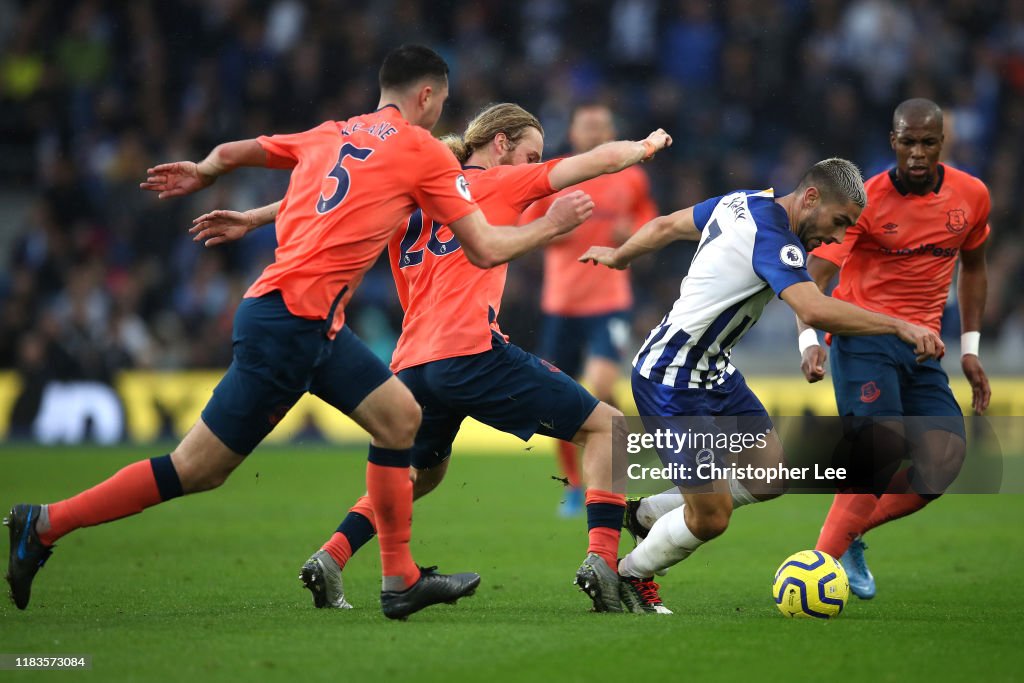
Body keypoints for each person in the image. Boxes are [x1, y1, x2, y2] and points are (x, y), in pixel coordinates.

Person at [4, 45, 593, 620]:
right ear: (427, 95)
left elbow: (243, 152)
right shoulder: (422, 151)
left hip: (291, 318)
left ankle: (397, 578)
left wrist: (211, 173)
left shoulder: (332, 133)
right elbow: (487, 247)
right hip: (298, 323)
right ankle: (49, 522)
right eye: (441, 102)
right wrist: (555, 222)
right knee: (199, 469)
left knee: (397, 420)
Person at [193, 103, 673, 613]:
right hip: (471, 352)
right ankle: (602, 560)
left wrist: (253, 217)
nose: (538, 161)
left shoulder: (413, 195)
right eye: (531, 152)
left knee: (420, 474)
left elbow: (328, 198)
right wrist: (644, 148)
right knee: (606, 427)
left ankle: (332, 556)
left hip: (413, 365)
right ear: (502, 144)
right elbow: (596, 161)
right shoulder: (502, 183)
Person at [579, 158, 945, 614]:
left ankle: (644, 515)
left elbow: (668, 225)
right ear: (811, 197)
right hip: (672, 377)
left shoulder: (744, 201)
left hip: (713, 369)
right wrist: (900, 327)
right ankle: (630, 574)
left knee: (769, 473)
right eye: (838, 223)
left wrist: (621, 255)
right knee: (711, 518)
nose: (836, 238)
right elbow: (812, 307)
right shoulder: (774, 237)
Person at [798, 99, 991, 599]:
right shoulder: (866, 202)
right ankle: (814, 570)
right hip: (863, 339)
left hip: (924, 346)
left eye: (928, 142)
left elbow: (975, 266)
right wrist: (809, 338)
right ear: (893, 142)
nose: (918, 153)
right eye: (908, 142)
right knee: (879, 450)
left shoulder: (972, 196)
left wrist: (970, 348)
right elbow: (812, 278)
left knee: (943, 462)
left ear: (942, 143)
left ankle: (851, 529)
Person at [520, 104, 658, 516]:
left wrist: (631, 232)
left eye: (602, 127)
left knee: (597, 388)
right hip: (561, 305)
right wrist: (553, 229)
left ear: (612, 132)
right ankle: (576, 484)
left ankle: (612, 472)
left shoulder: (631, 176)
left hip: (609, 303)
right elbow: (522, 227)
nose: (595, 134)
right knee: (554, 401)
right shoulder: (557, 176)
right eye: (588, 127)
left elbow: (648, 216)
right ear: (574, 133)